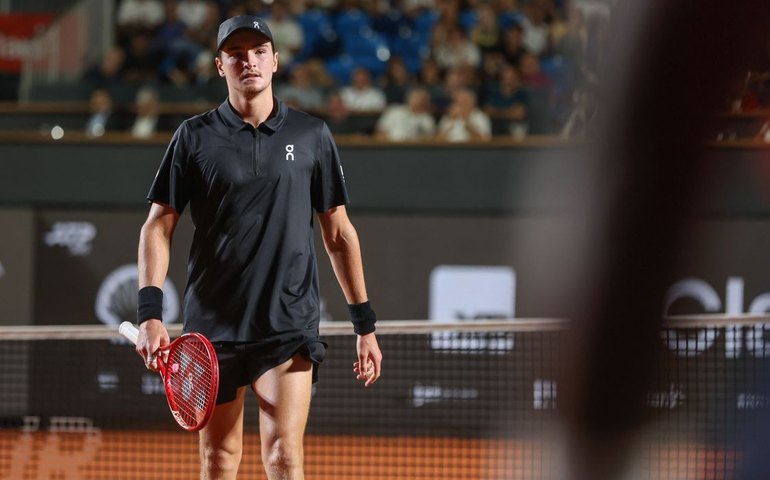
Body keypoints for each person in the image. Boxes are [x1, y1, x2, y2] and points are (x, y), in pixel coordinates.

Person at [133, 15, 383, 480]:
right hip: (212, 327)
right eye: (236, 53)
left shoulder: (311, 135)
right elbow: (157, 225)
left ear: (275, 61)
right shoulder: (193, 137)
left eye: (258, 51)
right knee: (219, 459)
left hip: (286, 323)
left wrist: (363, 324)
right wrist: (150, 312)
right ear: (219, 65)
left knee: (285, 456)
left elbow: (339, 233)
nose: (248, 60)